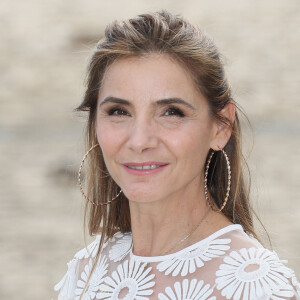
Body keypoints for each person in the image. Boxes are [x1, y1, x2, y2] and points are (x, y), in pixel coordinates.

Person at [54, 10, 300, 300]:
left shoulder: (258, 287)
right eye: (119, 111)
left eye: (171, 112)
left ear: (221, 126)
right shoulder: (86, 272)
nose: (139, 140)